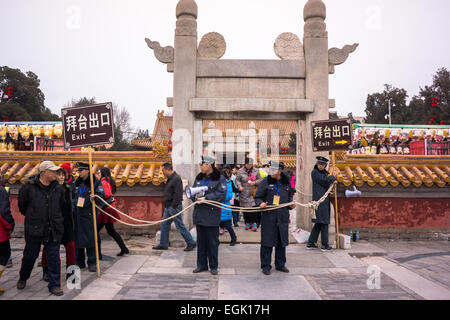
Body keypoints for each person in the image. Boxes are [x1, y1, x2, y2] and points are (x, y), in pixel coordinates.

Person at [17, 161, 65, 296]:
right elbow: (22, 206)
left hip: (53, 228)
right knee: (30, 256)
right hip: (35, 228)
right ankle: (23, 277)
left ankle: (54, 284)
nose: (56, 174)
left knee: (54, 258)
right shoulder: (28, 188)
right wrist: (34, 216)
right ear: (44, 173)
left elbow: (61, 206)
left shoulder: (58, 189)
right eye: (53, 171)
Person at [255, 161, 295, 276]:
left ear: (280, 171)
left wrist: (291, 205)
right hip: (269, 217)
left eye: (274, 169)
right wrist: (261, 203)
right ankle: (266, 265)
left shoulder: (286, 183)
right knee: (267, 242)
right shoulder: (265, 182)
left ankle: (280, 264)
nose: (271, 171)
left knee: (281, 242)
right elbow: (258, 197)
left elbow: (288, 199)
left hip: (282, 217)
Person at [189, 156, 227, 275]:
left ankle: (214, 266)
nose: (201, 166)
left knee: (212, 242)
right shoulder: (199, 178)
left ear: (209, 165)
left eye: (203, 164)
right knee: (201, 243)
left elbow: (221, 194)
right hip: (200, 214)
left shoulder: (219, 179)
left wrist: (206, 198)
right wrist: (194, 197)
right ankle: (201, 265)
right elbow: (192, 192)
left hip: (212, 215)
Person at [41, 163, 76, 282]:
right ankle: (46, 271)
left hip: (67, 223)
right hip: (53, 224)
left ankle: (71, 274)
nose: (61, 177)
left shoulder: (68, 189)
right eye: (59, 174)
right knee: (49, 249)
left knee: (71, 247)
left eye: (63, 175)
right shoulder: (51, 189)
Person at [153, 163, 196, 252]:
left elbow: (178, 194)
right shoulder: (170, 179)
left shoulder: (176, 179)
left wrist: (173, 206)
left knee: (179, 225)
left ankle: (191, 242)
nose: (163, 173)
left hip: (174, 207)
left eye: (163, 171)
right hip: (168, 207)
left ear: (168, 169)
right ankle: (163, 244)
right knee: (164, 225)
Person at [73, 162, 105, 272]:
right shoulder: (76, 183)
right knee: (78, 239)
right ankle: (79, 261)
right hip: (77, 214)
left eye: (81, 170)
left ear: (87, 170)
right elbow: (72, 196)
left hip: (89, 215)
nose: (79, 173)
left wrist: (94, 197)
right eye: (79, 171)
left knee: (91, 239)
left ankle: (92, 262)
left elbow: (101, 196)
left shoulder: (95, 182)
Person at [306, 156, 338, 251]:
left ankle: (311, 242)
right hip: (319, 201)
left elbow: (327, 180)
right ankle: (325, 244)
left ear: (325, 166)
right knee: (324, 222)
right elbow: (324, 181)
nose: (321, 166)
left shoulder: (325, 174)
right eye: (319, 164)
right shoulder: (314, 173)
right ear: (317, 164)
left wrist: (332, 177)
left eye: (323, 165)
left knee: (319, 223)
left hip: (324, 201)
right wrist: (333, 177)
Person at [97, 167, 129, 257]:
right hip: (109, 208)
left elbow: (106, 194)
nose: (98, 174)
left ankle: (98, 253)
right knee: (111, 231)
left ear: (103, 173)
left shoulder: (103, 182)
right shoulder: (108, 181)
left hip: (106, 209)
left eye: (99, 173)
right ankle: (124, 248)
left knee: (95, 231)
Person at [236, 158, 262, 231]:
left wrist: (255, 182)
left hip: (253, 192)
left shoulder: (256, 171)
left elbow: (260, 180)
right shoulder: (240, 171)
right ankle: (247, 222)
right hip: (244, 192)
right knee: (246, 209)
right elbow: (237, 180)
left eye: (250, 164)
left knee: (253, 208)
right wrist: (239, 186)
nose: (249, 166)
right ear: (245, 164)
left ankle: (254, 223)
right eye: (247, 164)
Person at [0, 174, 14, 296]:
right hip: (0, 229)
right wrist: (10, 224)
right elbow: (4, 210)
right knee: (4, 255)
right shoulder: (1, 190)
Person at [219, 166, 237, 246]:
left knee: (227, 225)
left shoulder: (226, 183)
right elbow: (234, 190)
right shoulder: (229, 182)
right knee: (218, 225)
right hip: (223, 206)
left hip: (224, 206)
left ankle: (233, 238)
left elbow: (227, 195)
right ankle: (217, 240)